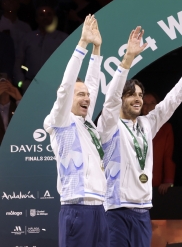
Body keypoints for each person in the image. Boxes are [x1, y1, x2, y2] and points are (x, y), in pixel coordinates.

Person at [97, 30, 182, 247]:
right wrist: (127, 60)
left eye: (139, 94)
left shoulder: (147, 124)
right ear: (121, 99)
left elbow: (172, 101)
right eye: (131, 95)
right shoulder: (109, 126)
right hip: (115, 210)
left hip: (142, 211)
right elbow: (109, 101)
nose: (137, 99)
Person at [43, 15, 107, 247]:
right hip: (76, 208)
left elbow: (93, 83)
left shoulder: (86, 122)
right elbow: (67, 85)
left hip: (100, 208)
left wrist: (97, 49)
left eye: (87, 96)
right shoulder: (61, 120)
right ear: (69, 97)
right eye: (81, 95)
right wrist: (82, 45)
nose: (87, 98)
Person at [14, 4, 68, 91]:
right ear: (36, 18)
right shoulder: (27, 38)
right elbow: (18, 61)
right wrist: (21, 82)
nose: (45, 18)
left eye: (49, 15)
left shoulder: (63, 38)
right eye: (42, 15)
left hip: (56, 86)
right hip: (31, 85)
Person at [141, 92, 176, 194]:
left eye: (152, 103)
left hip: (157, 184)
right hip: (135, 184)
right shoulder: (133, 125)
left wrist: (168, 181)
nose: (149, 106)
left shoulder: (166, 128)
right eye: (145, 103)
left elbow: (168, 156)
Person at [0, 75, 21, 144]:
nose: (3, 85)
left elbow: (29, 120)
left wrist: (19, 99)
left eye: (6, 82)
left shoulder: (17, 107)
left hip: (15, 147)